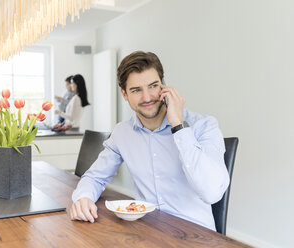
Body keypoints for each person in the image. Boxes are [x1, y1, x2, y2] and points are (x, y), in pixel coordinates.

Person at [69, 51, 230, 230]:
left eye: (153, 86)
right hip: (147, 231)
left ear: (164, 86)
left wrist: (178, 126)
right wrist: (84, 198)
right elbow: (95, 177)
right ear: (124, 94)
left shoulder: (203, 126)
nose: (147, 98)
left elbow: (212, 193)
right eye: (136, 90)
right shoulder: (122, 132)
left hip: (195, 235)